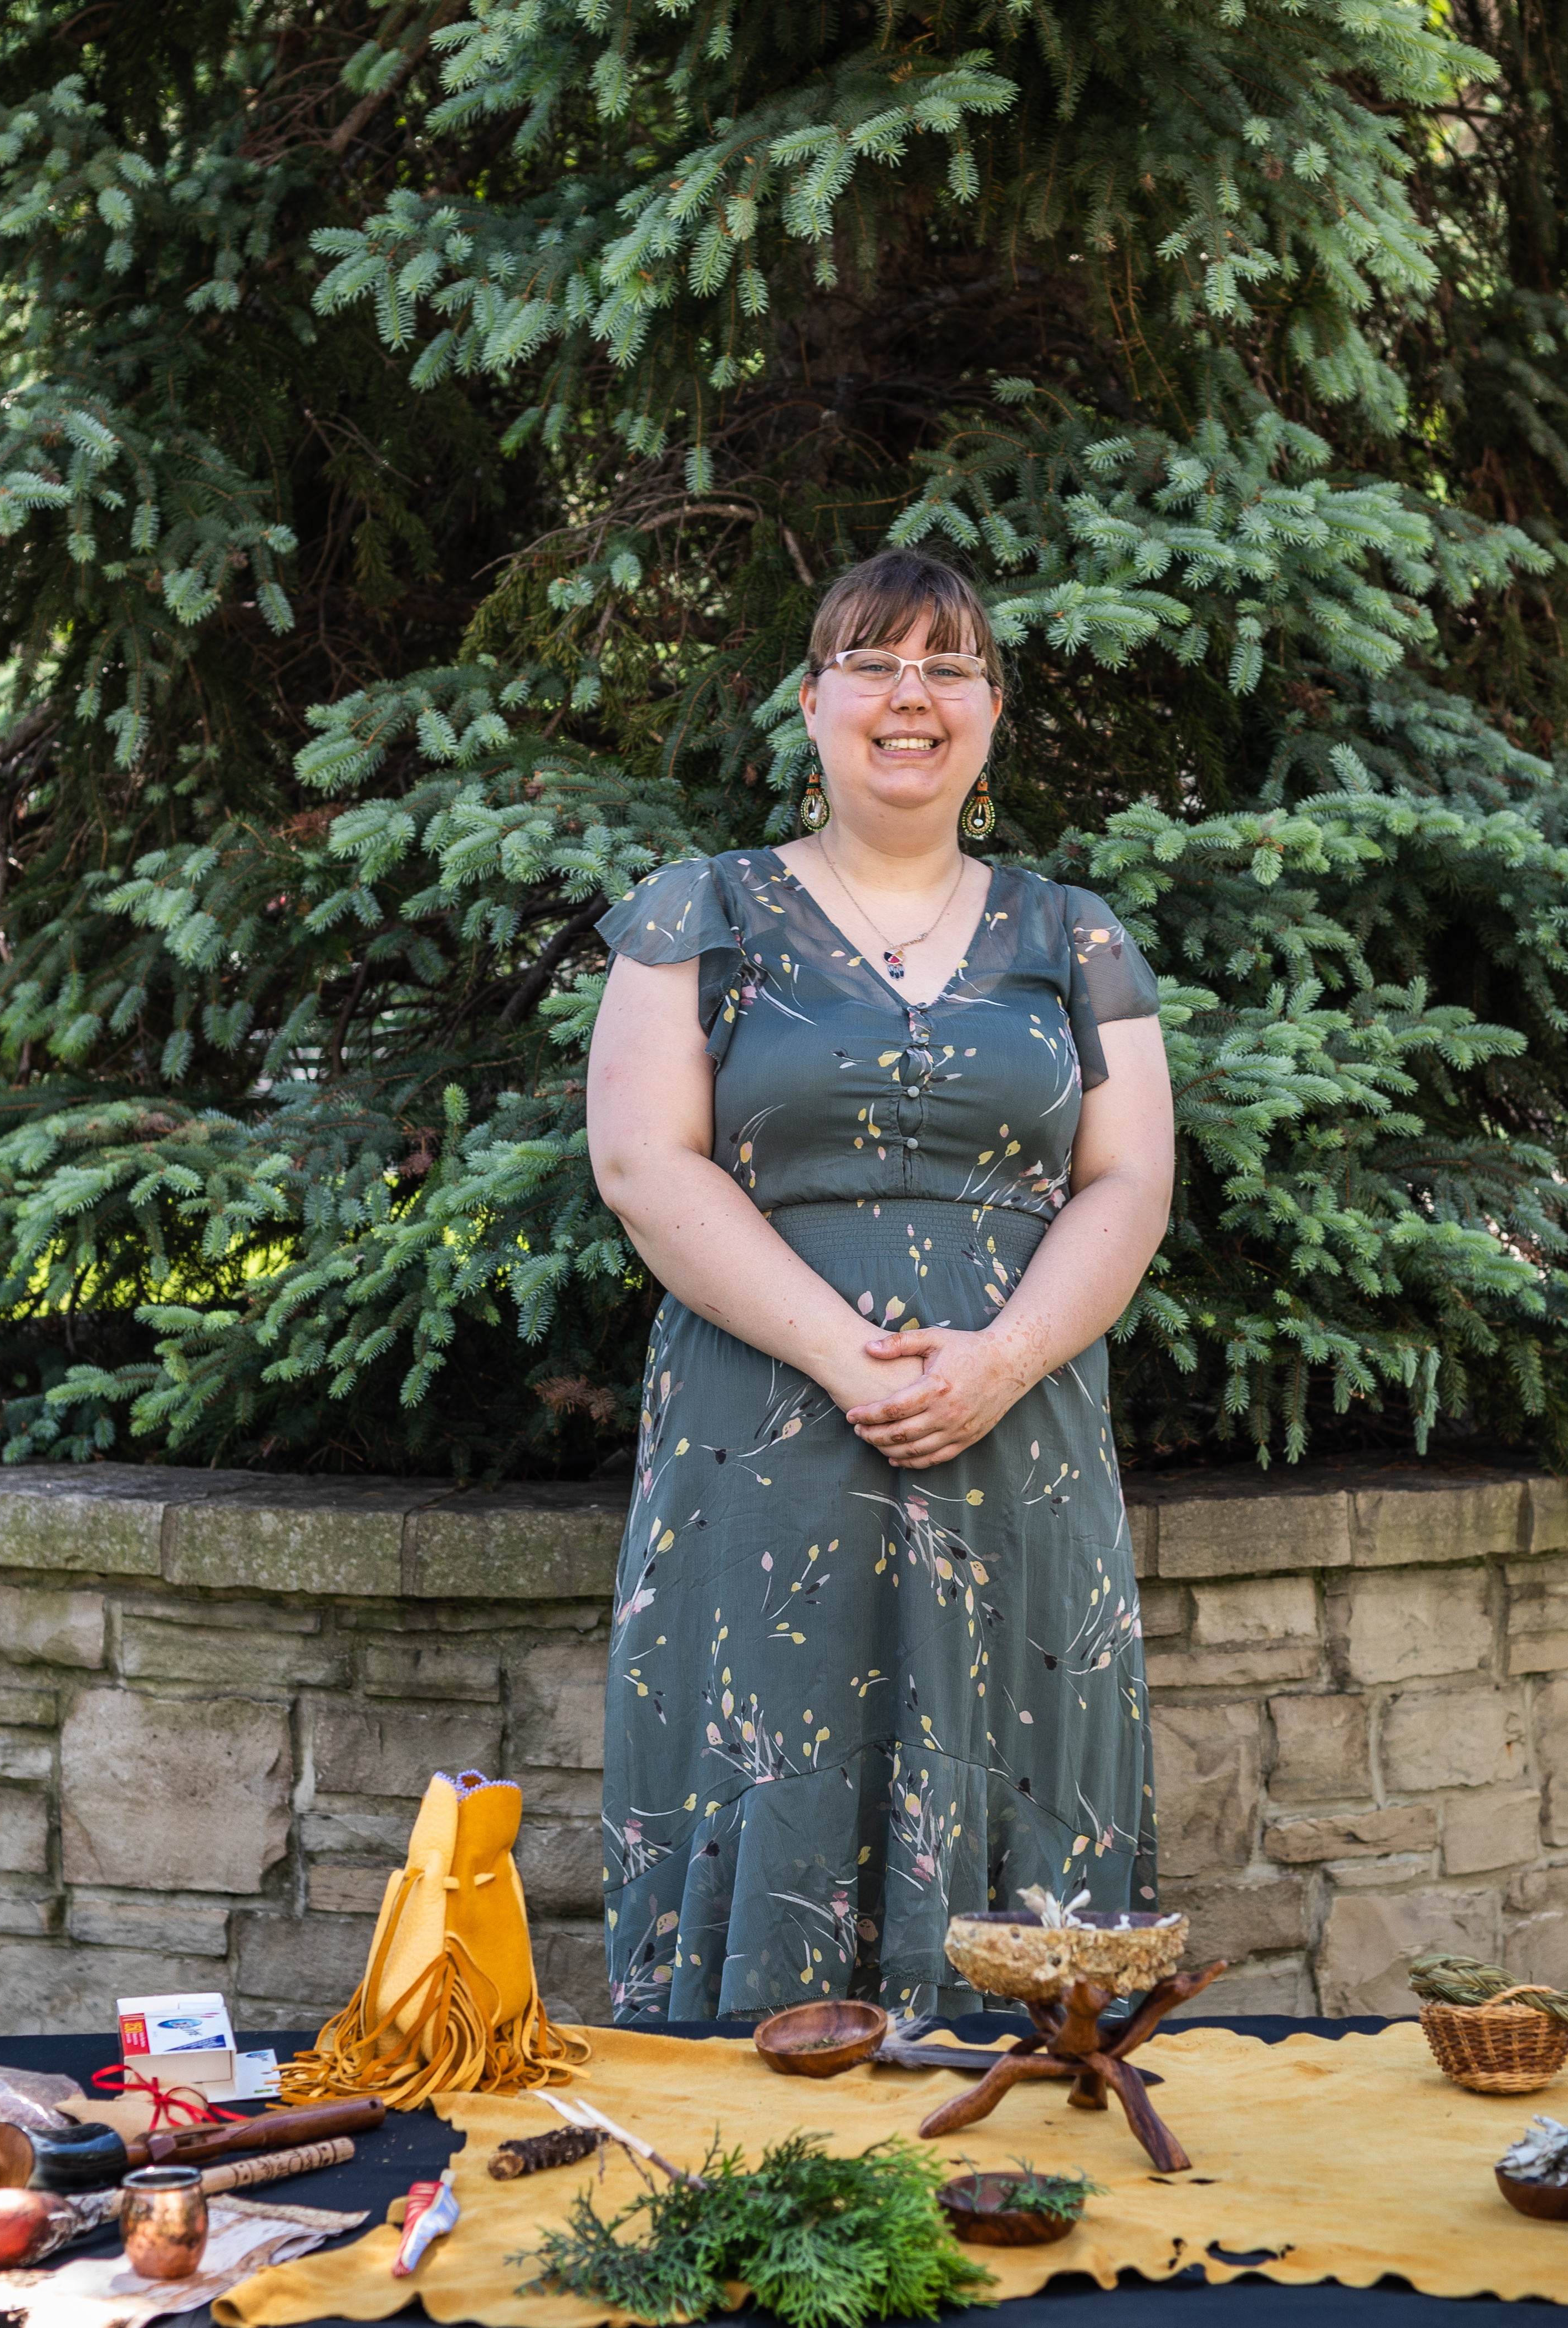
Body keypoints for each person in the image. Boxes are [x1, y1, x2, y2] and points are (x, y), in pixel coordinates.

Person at [583, 547, 1177, 2021]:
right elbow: (646, 1168)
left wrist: (1005, 1354)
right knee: (769, 1739)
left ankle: (1017, 2137)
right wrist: (849, 1356)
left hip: (1016, 1434)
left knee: (1012, 1751)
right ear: (810, 701)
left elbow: (1130, 1183)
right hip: (764, 1430)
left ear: (990, 711)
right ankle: (753, 2144)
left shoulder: (1074, 933)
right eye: (873, 660)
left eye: (951, 666)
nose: (911, 694)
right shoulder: (696, 911)